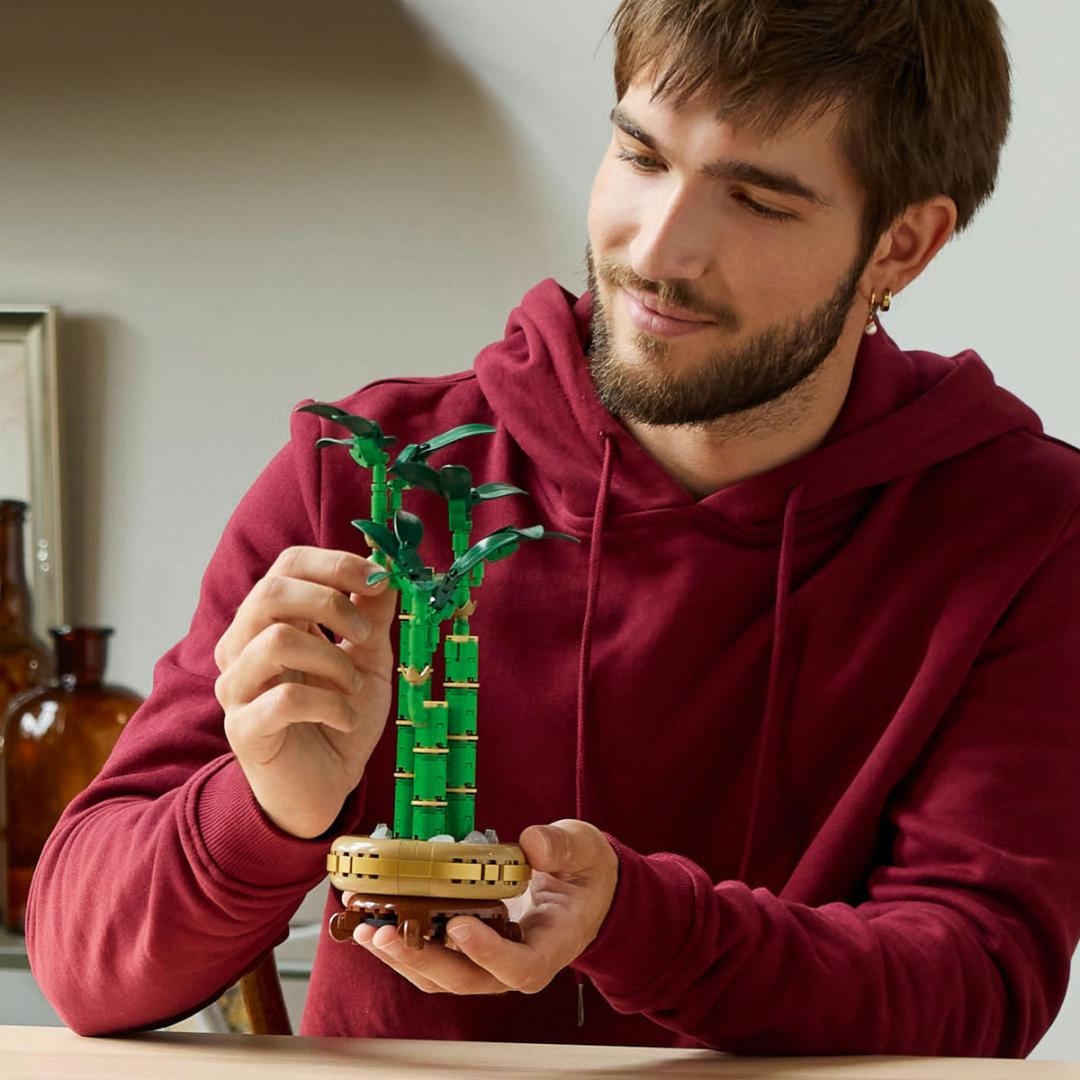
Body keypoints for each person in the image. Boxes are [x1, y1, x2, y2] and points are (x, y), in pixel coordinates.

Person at [25, 0, 1080, 1057]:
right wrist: (264, 810)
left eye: (758, 201)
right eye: (641, 156)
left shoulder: (1026, 528)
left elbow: (978, 982)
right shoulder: (371, 476)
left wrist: (642, 928)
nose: (660, 250)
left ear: (901, 245)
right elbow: (81, 964)